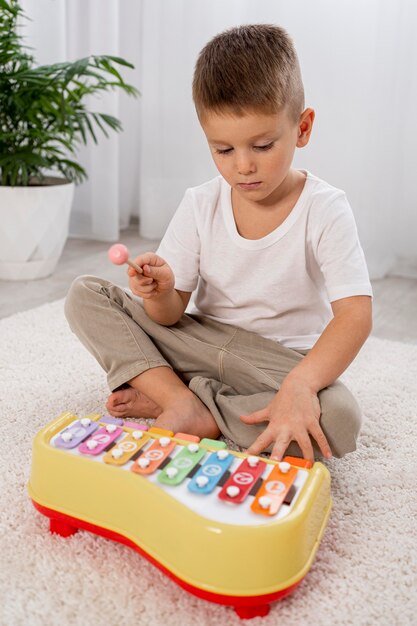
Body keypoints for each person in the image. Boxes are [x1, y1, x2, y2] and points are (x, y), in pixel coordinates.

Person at [65, 24, 373, 463]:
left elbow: (355, 316)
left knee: (339, 418)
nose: (244, 166)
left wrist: (301, 385)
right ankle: (184, 400)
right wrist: (162, 292)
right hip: (198, 342)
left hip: (274, 364)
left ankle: (187, 401)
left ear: (302, 128)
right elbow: (169, 318)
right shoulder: (200, 203)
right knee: (85, 295)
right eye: (223, 150)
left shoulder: (325, 208)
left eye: (262, 145)